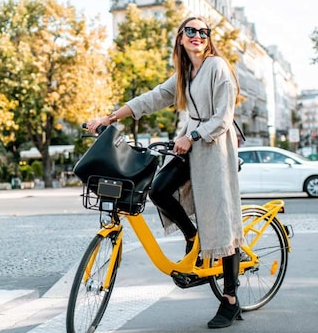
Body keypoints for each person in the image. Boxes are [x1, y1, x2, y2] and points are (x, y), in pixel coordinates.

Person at [86, 17, 244, 329]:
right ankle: (192, 234)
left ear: (208, 38)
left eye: (203, 31)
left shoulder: (217, 67)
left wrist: (193, 137)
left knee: (220, 220)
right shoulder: (185, 73)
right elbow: (154, 97)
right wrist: (109, 117)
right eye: (191, 31)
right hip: (191, 144)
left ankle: (231, 300)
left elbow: (224, 117)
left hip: (214, 147)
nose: (197, 35)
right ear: (180, 39)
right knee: (158, 190)